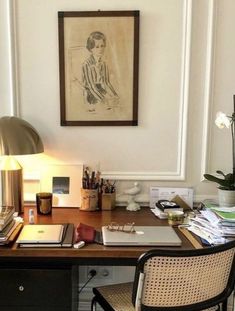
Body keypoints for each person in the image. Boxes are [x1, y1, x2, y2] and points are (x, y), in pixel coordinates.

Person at [82, 31, 119, 111]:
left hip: (101, 90)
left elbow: (106, 82)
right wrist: (103, 100)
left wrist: (115, 95)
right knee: (102, 109)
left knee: (114, 106)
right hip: (90, 93)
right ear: (90, 48)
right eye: (97, 47)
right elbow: (91, 86)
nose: (101, 49)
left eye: (102, 46)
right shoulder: (86, 64)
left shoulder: (104, 64)